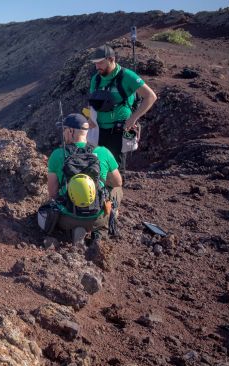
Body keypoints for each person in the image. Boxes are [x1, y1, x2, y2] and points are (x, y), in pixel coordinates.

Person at [44, 113, 123, 243]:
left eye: (64, 130)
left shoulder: (57, 154)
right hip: (98, 217)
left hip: (67, 220)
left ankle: (74, 230)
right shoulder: (103, 152)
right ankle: (99, 230)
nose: (63, 133)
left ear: (71, 131)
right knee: (117, 189)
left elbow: (52, 193)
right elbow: (118, 182)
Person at [88, 44, 157, 172]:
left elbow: (151, 97)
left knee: (116, 170)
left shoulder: (127, 76)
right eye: (95, 64)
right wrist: (90, 118)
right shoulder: (96, 79)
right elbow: (92, 102)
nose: (97, 67)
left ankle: (116, 192)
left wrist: (133, 119)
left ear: (111, 59)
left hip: (119, 131)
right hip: (99, 131)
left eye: (100, 63)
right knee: (99, 168)